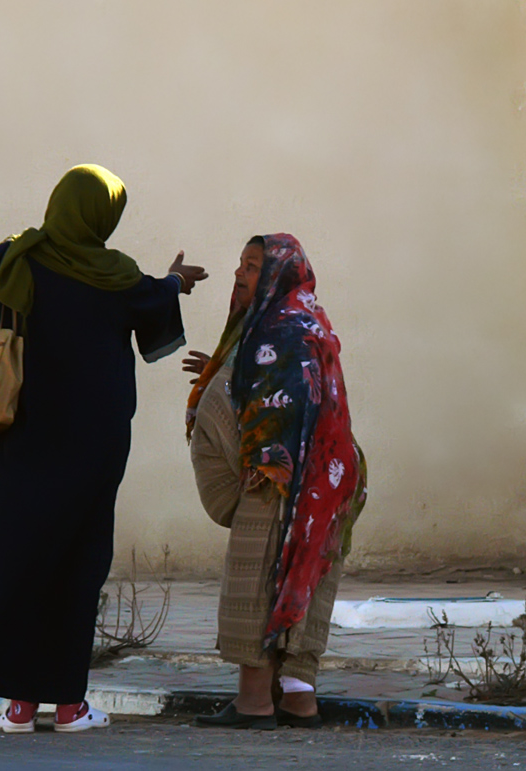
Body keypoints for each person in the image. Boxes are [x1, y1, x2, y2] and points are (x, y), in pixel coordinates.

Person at [0, 164, 207, 733]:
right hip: (88, 454)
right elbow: (150, 301)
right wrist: (175, 282)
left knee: (13, 564)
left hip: (13, 444)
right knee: (73, 570)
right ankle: (69, 705)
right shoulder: (114, 273)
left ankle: (19, 705)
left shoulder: (8, 261)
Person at [184, 233, 367, 730]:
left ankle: (253, 702)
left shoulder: (275, 334)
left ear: (276, 276)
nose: (240, 275)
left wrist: (214, 392)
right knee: (305, 578)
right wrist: (225, 372)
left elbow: (265, 411)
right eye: (240, 265)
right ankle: (298, 699)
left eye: (251, 266)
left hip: (278, 478)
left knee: (259, 576)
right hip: (326, 480)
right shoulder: (307, 322)